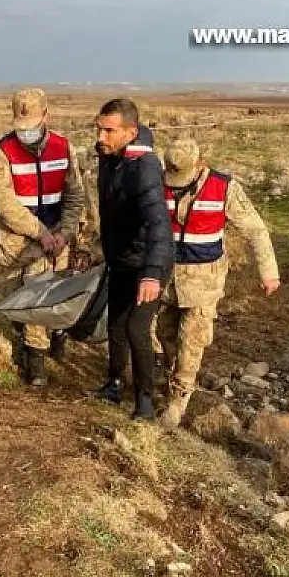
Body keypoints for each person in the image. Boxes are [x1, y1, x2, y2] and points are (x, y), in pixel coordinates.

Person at [155, 138, 281, 428]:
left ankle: (179, 399)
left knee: (192, 339)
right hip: (165, 278)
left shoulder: (224, 188)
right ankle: (169, 374)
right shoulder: (158, 183)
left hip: (204, 281)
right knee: (164, 334)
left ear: (201, 165)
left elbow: (256, 230)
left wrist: (269, 272)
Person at [0, 87, 86, 387]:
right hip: (18, 239)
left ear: (46, 115)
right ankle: (34, 343)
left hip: (57, 237)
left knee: (43, 294)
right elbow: (4, 203)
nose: (25, 134)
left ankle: (38, 361)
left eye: (31, 127)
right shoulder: (0, 152)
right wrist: (40, 233)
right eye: (21, 128)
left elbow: (75, 196)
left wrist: (66, 232)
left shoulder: (63, 147)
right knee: (17, 300)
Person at [92, 98, 174, 420]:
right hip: (121, 259)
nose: (101, 136)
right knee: (115, 324)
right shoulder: (108, 157)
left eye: (109, 131)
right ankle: (113, 384)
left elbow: (159, 225)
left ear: (131, 131)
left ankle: (145, 402)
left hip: (148, 262)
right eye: (99, 128)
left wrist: (152, 273)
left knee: (137, 329)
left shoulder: (145, 168)